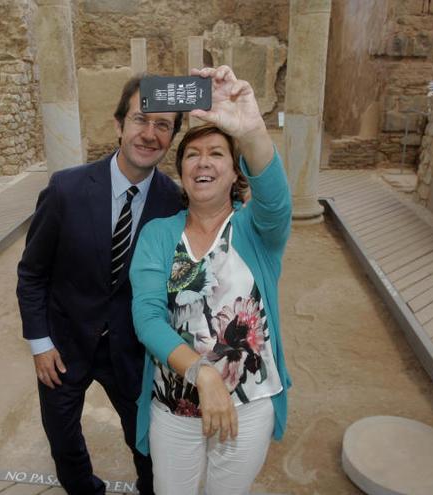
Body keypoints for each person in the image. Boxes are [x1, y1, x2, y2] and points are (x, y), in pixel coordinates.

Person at [16, 74, 183, 495]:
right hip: (63, 344)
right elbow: (32, 272)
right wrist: (39, 342)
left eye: (163, 125)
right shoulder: (66, 189)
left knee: (147, 445)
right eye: (140, 119)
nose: (149, 134)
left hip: (132, 351)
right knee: (63, 441)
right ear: (118, 125)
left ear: (173, 137)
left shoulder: (176, 203)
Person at [129, 65, 292, 495]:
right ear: (180, 171)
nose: (203, 162)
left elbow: (276, 199)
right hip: (175, 406)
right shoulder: (159, 234)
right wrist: (202, 373)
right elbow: (147, 319)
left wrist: (250, 128)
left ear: (236, 173)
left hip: (248, 406)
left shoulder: (257, 230)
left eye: (217, 153)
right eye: (192, 155)